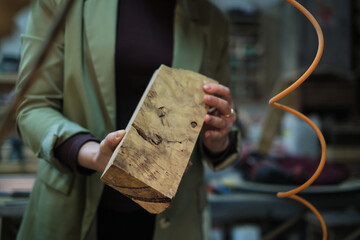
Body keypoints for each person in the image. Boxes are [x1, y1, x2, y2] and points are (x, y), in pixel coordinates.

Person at [15, 0, 241, 239]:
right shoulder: (63, 4)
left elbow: (220, 120)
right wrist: (93, 154)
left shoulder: (211, 20)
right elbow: (32, 106)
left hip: (173, 220)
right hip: (73, 209)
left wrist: (217, 140)